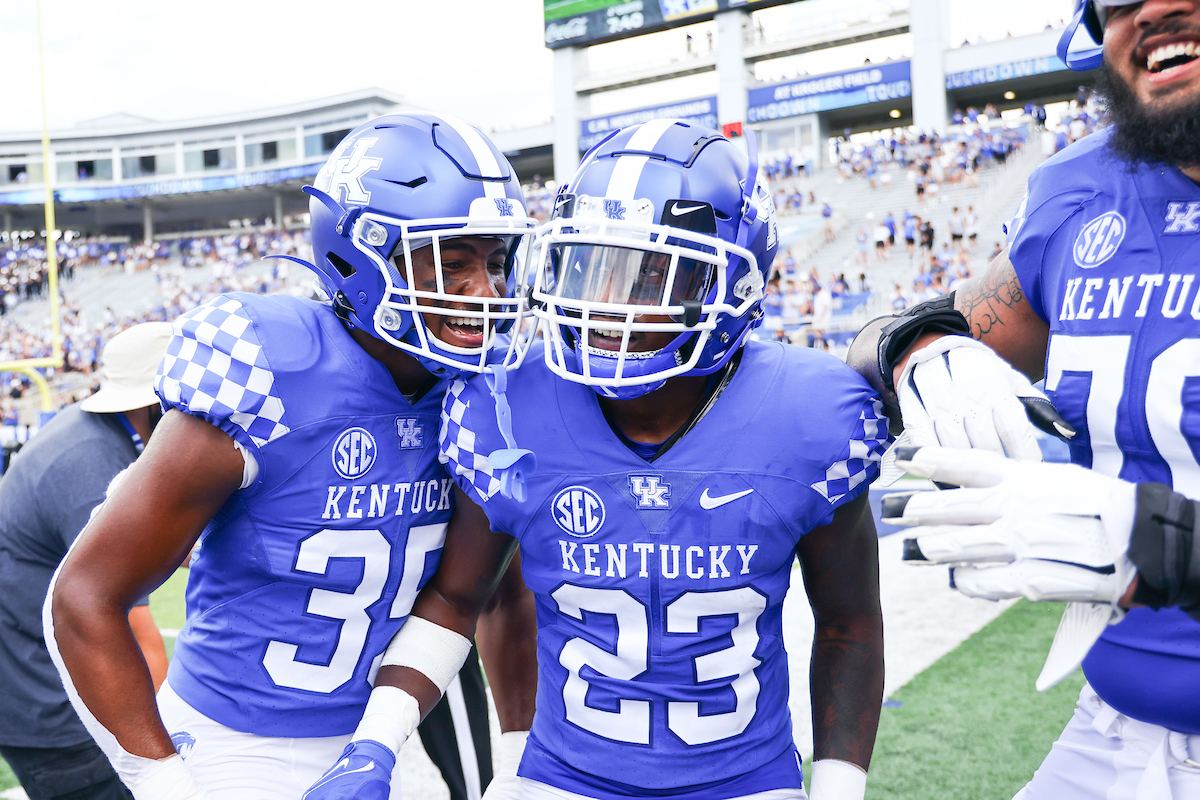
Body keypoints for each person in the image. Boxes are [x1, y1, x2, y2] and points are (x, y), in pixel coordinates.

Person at [316, 121, 889, 800]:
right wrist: (375, 741)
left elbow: (850, 617)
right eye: (589, 267)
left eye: (647, 276)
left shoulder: (807, 413)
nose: (605, 306)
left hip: (745, 781)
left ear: (728, 285)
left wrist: (836, 789)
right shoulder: (505, 403)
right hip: (564, 777)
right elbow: (459, 597)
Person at [45, 113, 536, 800]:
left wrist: (380, 743)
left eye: (495, 262)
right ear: (360, 258)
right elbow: (82, 597)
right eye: (452, 263)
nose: (485, 293)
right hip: (228, 746)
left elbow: (465, 595)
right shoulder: (269, 375)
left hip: (369, 736)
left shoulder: (486, 395)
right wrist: (162, 784)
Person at [847, 1, 1200, 796]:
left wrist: (1168, 545)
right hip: (1116, 732)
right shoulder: (1082, 190)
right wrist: (923, 349)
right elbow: (874, 342)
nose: (1153, 10)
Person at [0, 322, 172, 800]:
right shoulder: (90, 465)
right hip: (48, 704)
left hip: (32, 681)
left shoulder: (89, 438)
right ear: (157, 401)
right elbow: (133, 630)